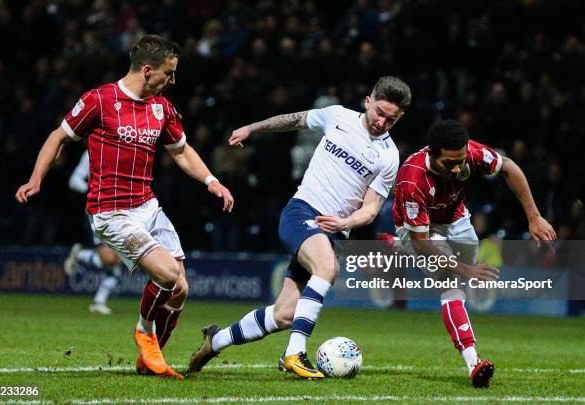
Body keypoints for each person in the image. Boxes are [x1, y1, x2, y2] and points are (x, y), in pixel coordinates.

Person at [15, 34, 234, 380]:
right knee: (166, 273)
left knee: (180, 289)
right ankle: (144, 331)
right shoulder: (99, 101)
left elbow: (180, 150)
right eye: (169, 73)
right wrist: (36, 178)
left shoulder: (162, 108)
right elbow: (58, 136)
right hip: (111, 211)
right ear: (147, 70)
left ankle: (150, 360)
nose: (172, 80)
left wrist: (212, 181)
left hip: (148, 207)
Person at [188, 76, 412, 379]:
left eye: (392, 119)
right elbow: (292, 120)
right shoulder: (338, 117)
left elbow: (371, 208)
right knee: (327, 268)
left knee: (284, 314)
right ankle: (294, 353)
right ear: (368, 101)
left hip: (331, 231)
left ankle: (216, 340)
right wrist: (252, 128)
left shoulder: (388, 156)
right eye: (380, 113)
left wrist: (346, 222)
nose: (382, 122)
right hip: (302, 212)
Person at [392, 119, 556, 388]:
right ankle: (473, 362)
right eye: (449, 163)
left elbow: (510, 168)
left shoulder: (470, 153)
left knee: (459, 271)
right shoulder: (412, 180)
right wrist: (466, 269)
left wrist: (534, 216)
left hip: (456, 218)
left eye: (461, 160)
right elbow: (422, 242)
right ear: (432, 154)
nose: (457, 169)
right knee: (450, 282)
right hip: (420, 231)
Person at [64, 150, 123, 315]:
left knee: (119, 260)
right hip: (98, 210)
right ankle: (80, 255)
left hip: (121, 210)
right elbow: (74, 180)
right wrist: (91, 190)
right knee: (111, 258)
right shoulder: (92, 152)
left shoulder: (125, 149)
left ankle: (99, 301)